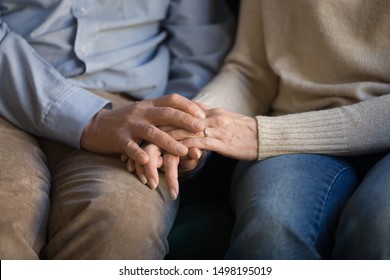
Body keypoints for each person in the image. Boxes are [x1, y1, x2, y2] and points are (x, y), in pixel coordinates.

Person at [133, 0, 390, 259]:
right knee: (272, 223)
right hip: (292, 129)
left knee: (378, 224)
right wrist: (189, 125)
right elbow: (251, 71)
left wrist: (262, 134)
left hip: (291, 132)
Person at [0, 0, 234, 259]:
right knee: (8, 212)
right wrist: (90, 120)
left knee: (124, 219)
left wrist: (179, 130)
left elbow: (200, 54)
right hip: (5, 92)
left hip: (134, 107)